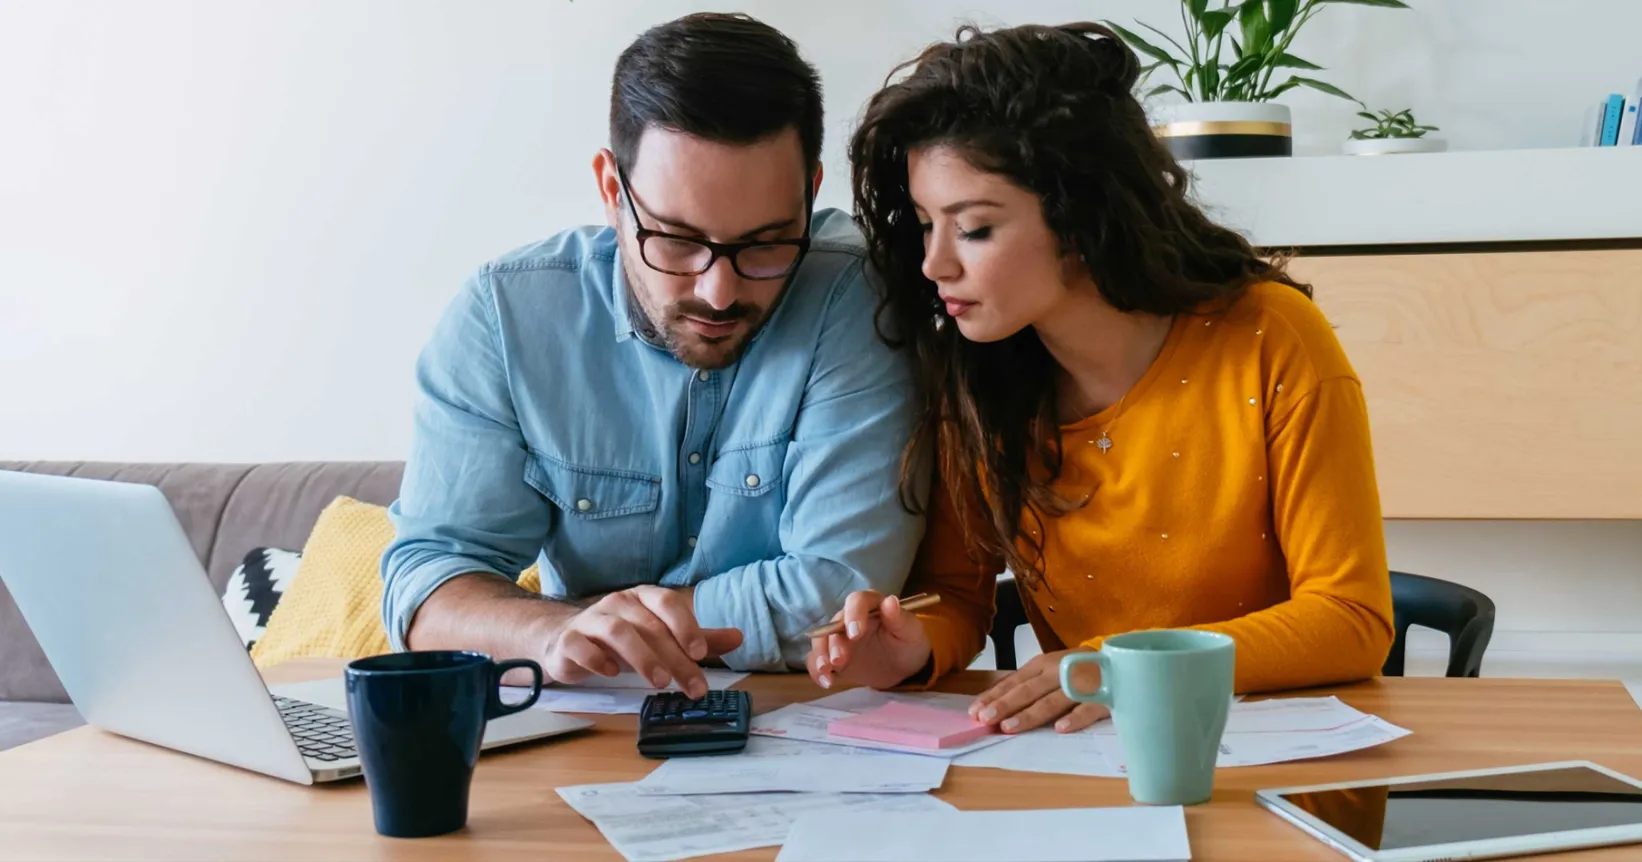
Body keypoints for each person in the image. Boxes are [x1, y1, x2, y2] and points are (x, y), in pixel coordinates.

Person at [809, 22, 1394, 735]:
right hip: (1085, 761)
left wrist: (1122, 666)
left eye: (974, 228)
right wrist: (908, 646)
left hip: (1263, 749)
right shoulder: (975, 372)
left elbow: (1352, 619)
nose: (934, 264)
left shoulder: (1273, 339)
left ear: (1079, 218)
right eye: (927, 223)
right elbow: (958, 597)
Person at [382, 13, 923, 698]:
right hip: (581, 733)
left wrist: (623, 624)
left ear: (810, 194)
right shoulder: (506, 318)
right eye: (675, 240)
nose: (719, 291)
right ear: (612, 190)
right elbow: (425, 585)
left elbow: (847, 591)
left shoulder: (856, 299)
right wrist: (549, 634)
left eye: (765, 242)